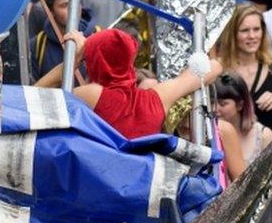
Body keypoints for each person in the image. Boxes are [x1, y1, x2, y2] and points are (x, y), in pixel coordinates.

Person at [37, 28, 222, 140]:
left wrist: (72, 61)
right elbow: (212, 68)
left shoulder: (91, 95)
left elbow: (32, 98)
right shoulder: (157, 97)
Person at [215, 4, 272, 132]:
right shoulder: (218, 70)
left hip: (267, 148)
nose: (252, 36)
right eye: (245, 30)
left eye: (256, 29)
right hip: (226, 146)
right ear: (232, 34)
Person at [30, 0, 95, 82]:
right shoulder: (38, 45)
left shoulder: (98, 36)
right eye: (64, 5)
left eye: (76, 3)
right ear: (51, 12)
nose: (72, 10)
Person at [214, 73, 272, 178]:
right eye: (212, 103)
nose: (216, 109)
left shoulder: (264, 135)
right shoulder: (210, 134)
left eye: (222, 104)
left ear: (240, 105)